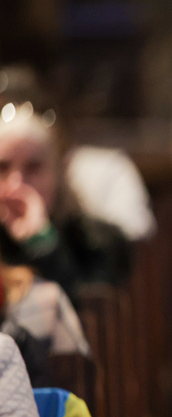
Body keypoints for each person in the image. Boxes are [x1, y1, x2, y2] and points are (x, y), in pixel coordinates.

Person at [0, 106, 131, 304]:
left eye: (33, 168)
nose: (16, 184)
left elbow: (85, 310)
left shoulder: (98, 243)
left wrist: (42, 241)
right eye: (2, 168)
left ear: (59, 173)